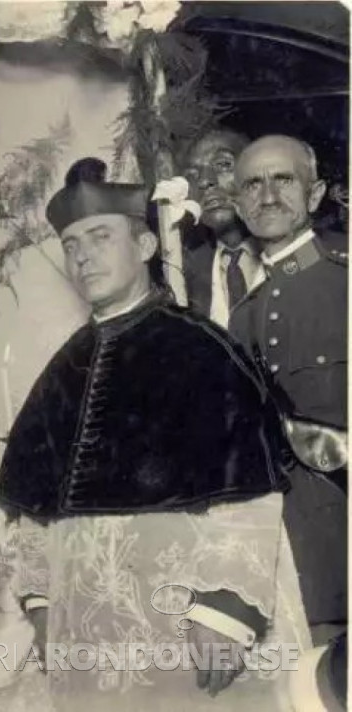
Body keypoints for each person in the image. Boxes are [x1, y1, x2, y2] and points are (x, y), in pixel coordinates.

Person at [0, 158, 307, 711]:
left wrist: (223, 612)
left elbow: (251, 494)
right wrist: (42, 606)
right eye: (70, 244)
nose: (83, 255)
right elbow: (35, 512)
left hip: (182, 617)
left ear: (142, 247)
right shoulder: (64, 366)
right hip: (85, 628)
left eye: (98, 236)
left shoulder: (201, 348)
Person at [229, 135, 347, 650]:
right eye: (253, 183)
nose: (268, 195)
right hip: (299, 558)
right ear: (237, 205)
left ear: (316, 193)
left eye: (284, 179)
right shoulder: (243, 316)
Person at [181, 129, 263, 327]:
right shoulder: (184, 270)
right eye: (192, 175)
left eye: (223, 165)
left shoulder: (302, 255)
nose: (204, 181)